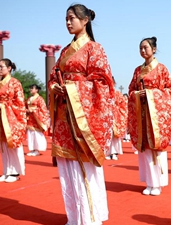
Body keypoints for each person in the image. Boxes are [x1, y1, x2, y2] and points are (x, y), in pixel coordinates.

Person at [48, 4, 114, 225]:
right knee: (68, 170)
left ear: (85, 20)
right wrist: (55, 88)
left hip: (83, 117)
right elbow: (54, 76)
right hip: (64, 114)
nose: (68, 22)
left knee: (83, 167)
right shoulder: (65, 52)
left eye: (72, 18)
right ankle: (74, 217)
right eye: (66, 18)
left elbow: (103, 83)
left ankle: (90, 218)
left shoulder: (95, 49)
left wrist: (72, 89)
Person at [128, 36, 171, 196]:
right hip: (142, 113)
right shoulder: (137, 70)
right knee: (145, 148)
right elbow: (130, 90)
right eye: (140, 48)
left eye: (146, 47)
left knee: (156, 147)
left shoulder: (162, 69)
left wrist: (151, 94)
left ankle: (158, 183)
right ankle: (149, 182)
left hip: (156, 116)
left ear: (154, 49)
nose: (143, 50)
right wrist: (137, 94)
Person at [0, 58, 26, 183]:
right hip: (0, 117)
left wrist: (4, 106)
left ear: (9, 68)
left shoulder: (15, 83)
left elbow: (20, 102)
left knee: (12, 145)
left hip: (12, 118)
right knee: (4, 145)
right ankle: (6, 171)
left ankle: (15, 172)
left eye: (1, 67)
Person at [105, 77, 128, 160]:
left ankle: (114, 152)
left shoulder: (118, 94)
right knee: (107, 135)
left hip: (115, 116)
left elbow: (123, 105)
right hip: (106, 115)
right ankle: (107, 152)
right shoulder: (103, 93)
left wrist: (117, 109)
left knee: (114, 135)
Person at [25, 84, 48, 157]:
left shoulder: (39, 99)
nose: (31, 90)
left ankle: (37, 149)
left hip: (36, 118)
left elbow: (43, 109)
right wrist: (26, 110)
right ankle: (32, 149)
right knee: (30, 133)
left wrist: (33, 110)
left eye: (32, 88)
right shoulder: (29, 98)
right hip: (30, 118)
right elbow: (26, 107)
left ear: (37, 90)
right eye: (30, 88)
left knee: (36, 133)